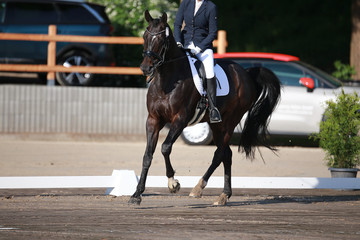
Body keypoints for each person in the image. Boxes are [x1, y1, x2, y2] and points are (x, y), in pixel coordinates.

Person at [174, 0, 221, 123]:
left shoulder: (211, 7)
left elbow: (213, 33)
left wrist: (200, 48)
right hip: (184, 44)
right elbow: (177, 24)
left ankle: (213, 108)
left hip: (203, 47)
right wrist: (178, 41)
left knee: (209, 71)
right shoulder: (186, 3)